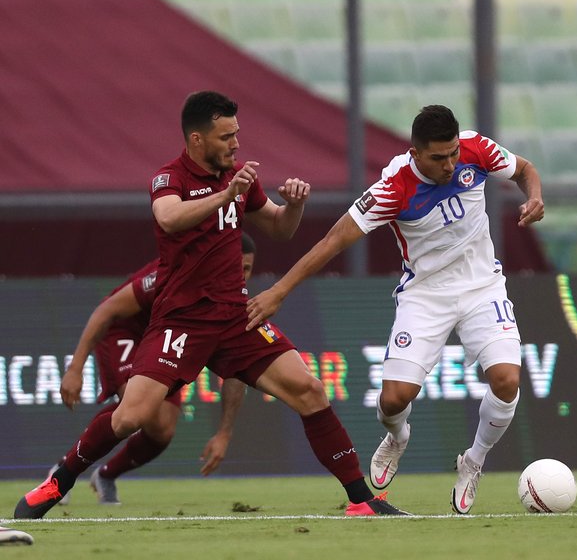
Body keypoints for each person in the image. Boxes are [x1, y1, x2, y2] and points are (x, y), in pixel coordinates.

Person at [15, 90, 406, 519]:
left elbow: (278, 228)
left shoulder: (240, 178)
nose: (235, 144)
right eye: (226, 137)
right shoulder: (169, 179)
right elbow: (168, 217)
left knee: (309, 389)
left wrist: (294, 206)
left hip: (236, 316)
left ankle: (359, 500)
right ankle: (59, 481)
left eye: (237, 134)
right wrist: (224, 196)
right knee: (132, 417)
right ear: (196, 140)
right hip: (182, 319)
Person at [246, 104, 545, 514]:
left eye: (453, 153)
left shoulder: (476, 148)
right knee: (393, 400)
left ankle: (473, 461)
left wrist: (535, 198)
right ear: (416, 153)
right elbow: (334, 241)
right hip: (425, 295)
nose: (450, 164)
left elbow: (525, 169)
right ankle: (398, 438)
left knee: (507, 380)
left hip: (482, 288)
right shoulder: (393, 188)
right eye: (439, 158)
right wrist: (279, 291)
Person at [50, 233, 260, 506]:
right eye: (237, 267)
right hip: (125, 330)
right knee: (137, 406)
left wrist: (224, 432)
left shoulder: (229, 300)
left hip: (162, 339)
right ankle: (63, 471)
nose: (242, 276)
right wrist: (75, 367)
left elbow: (236, 367)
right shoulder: (172, 273)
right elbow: (107, 311)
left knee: (162, 429)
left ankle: (106, 475)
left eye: (247, 269)